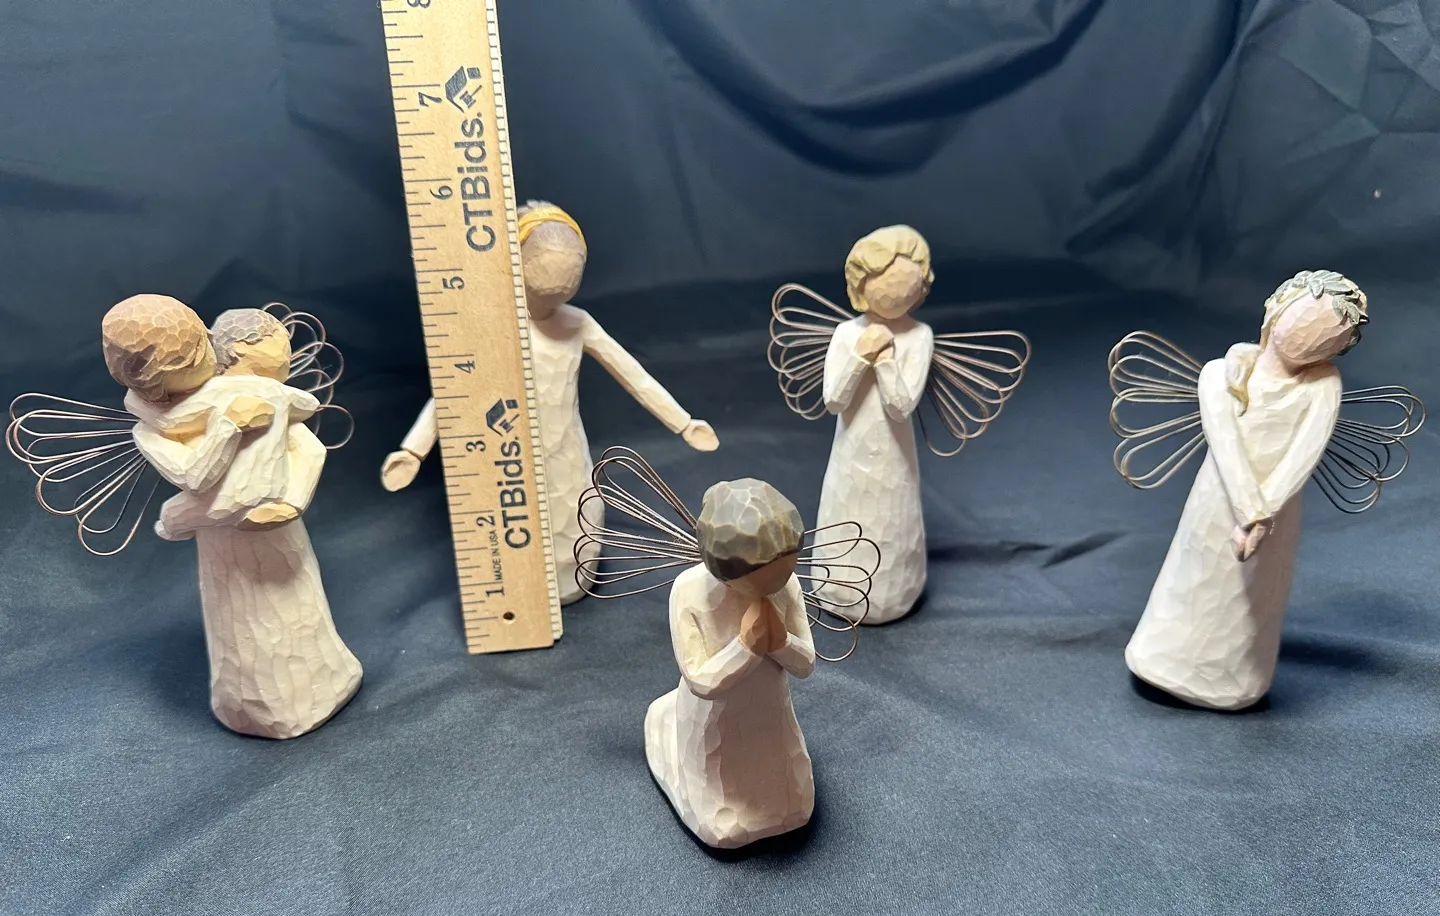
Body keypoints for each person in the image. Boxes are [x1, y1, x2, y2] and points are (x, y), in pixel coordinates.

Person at [382, 201, 719, 604]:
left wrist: (684, 423)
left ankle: (572, 579)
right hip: (511, 456)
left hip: (568, 452)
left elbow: (635, 376)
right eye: (547, 265)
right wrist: (414, 449)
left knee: (577, 514)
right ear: (515, 261)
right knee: (520, 522)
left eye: (571, 269)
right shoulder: (493, 327)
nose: (561, 279)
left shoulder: (578, 324)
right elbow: (452, 391)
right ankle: (526, 586)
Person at [1125, 271, 1359, 710]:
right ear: (1274, 308)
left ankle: (1236, 675)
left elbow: (1303, 456)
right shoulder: (1218, 375)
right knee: (1197, 575)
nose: (1313, 340)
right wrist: (1251, 513)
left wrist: (1267, 511)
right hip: (1219, 503)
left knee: (1252, 593)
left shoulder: (1323, 386)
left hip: (1278, 511)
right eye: (1306, 321)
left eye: (1332, 337)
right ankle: (1165, 658)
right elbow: (1226, 446)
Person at [644, 478, 817, 849]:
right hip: (713, 727)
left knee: (794, 805)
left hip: (772, 717)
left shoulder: (787, 585)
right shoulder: (690, 591)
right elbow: (700, 680)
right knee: (725, 824)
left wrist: (781, 643)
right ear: (724, 570)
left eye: (787, 570)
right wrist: (746, 647)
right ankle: (667, 729)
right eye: (764, 578)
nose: (780, 583)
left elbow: (805, 664)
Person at [815, 226, 935, 624]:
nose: (897, 293)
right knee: (847, 519)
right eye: (886, 282)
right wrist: (859, 357)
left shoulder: (919, 336)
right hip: (850, 456)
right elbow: (834, 400)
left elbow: (901, 407)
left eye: (908, 285)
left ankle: (894, 590)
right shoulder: (846, 334)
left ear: (921, 286)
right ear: (860, 287)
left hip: (894, 460)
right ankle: (836, 587)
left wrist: (884, 360)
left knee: (892, 520)